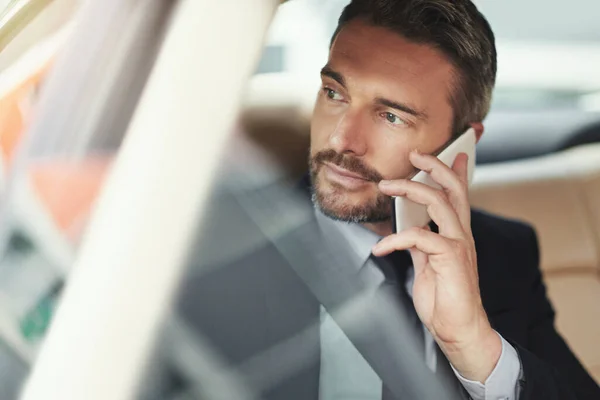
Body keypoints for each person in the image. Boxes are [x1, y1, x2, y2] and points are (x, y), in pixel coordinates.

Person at [159, 1, 600, 399]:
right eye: (335, 94)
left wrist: (475, 346)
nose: (341, 139)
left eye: (391, 116)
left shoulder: (502, 252)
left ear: (460, 147)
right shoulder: (211, 249)